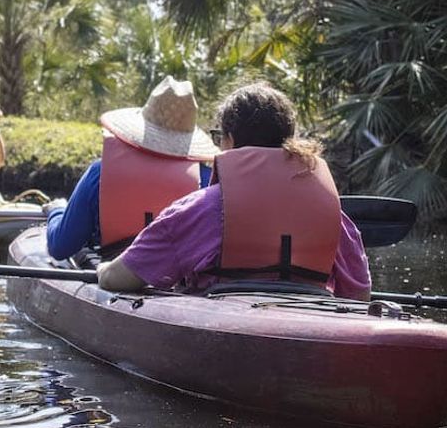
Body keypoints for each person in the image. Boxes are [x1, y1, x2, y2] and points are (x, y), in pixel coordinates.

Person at [96, 82, 371, 301]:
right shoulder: (332, 215)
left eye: (220, 137)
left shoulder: (199, 210)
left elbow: (117, 279)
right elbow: (359, 294)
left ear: (230, 140)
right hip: (308, 323)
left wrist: (102, 270)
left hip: (222, 324)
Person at [45, 76, 219, 261]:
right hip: (180, 284)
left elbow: (60, 246)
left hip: (114, 275)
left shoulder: (101, 173)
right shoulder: (209, 182)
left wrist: (56, 210)